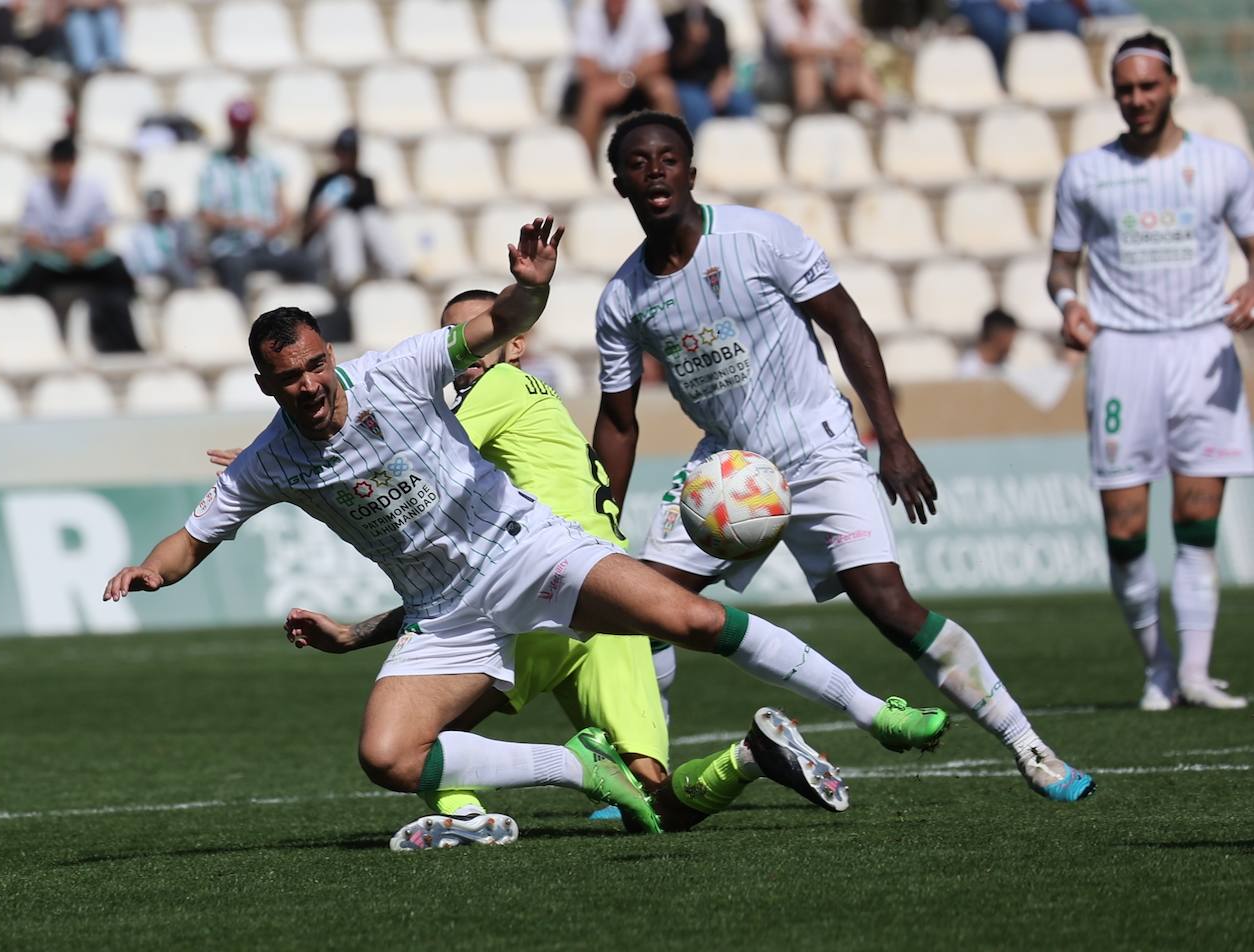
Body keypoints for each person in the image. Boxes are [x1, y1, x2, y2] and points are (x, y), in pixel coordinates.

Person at [104, 216, 952, 845]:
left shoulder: (397, 372)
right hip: (444, 611)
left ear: (331, 355)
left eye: (316, 365)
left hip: (526, 551)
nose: (309, 386)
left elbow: (494, 326)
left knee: (691, 619)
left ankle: (870, 711)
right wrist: (151, 570)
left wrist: (532, 290)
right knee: (389, 756)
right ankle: (577, 766)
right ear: (267, 385)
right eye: (289, 378)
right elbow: (193, 538)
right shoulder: (270, 461)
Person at [591, 111, 1096, 802]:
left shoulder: (759, 237)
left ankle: (1031, 749)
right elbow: (618, 421)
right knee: (642, 604)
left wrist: (892, 437)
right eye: (638, 163)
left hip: (818, 447)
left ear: (691, 172)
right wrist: (601, 514)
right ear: (620, 184)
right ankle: (646, 780)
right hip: (727, 472)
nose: (655, 170)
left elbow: (847, 324)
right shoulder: (622, 300)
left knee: (887, 604)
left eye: (668, 158)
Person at [1047, 33, 1254, 712]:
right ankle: (1157, 667)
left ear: (1172, 87)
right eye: (1126, 90)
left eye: (1148, 86)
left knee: (1197, 518)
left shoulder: (1223, 164)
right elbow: (1061, 268)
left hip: (1203, 349)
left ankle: (1194, 673)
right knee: (1125, 528)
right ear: (1115, 95)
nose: (1137, 99)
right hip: (1123, 354)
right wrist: (1069, 304)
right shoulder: (1086, 173)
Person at [0, 136, 141, 352]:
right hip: (52, 262)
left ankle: (121, 341)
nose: (63, 173)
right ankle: (29, 338)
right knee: (29, 277)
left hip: (86, 259)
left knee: (117, 271)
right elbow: (32, 238)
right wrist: (63, 249)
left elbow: (101, 236)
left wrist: (83, 249)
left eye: (68, 166)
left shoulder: (93, 189)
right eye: (59, 166)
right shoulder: (36, 191)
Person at [198, 100, 316, 301]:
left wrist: (276, 227)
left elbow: (284, 208)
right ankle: (240, 318)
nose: (242, 134)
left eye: (245, 128)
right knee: (235, 269)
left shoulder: (267, 165)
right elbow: (207, 215)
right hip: (231, 247)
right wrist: (238, 223)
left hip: (266, 244)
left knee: (305, 263)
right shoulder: (213, 167)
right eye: (238, 128)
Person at [565, 0, 681, 154]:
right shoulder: (589, 12)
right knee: (592, 96)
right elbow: (587, 67)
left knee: (664, 90)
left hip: (636, 82)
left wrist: (625, 81)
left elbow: (658, 58)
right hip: (604, 84)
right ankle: (587, 161)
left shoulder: (645, 8)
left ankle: (672, 156)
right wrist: (616, 82)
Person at [302, 128, 409, 291]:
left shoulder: (366, 183)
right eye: (343, 151)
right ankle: (350, 279)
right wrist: (320, 216)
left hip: (360, 249)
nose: (347, 156)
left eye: (351, 151)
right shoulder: (323, 182)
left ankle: (401, 270)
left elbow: (370, 218)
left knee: (371, 217)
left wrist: (350, 191)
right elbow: (307, 230)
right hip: (324, 249)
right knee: (343, 221)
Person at [763, 0, 883, 113]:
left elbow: (854, 38)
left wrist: (844, 65)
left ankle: (880, 112)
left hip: (831, 68)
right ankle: (810, 115)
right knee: (806, 65)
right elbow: (792, 49)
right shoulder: (778, 5)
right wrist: (837, 53)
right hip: (783, 74)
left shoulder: (830, 3)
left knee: (859, 70)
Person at [664, 2, 756, 133]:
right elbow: (673, 64)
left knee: (743, 101)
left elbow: (724, 64)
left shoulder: (717, 23)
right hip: (685, 84)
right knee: (698, 106)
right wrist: (692, 45)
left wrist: (721, 86)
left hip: (713, 84)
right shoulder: (671, 22)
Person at [951, 0, 1081, 76]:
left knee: (1065, 19)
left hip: (1033, 3)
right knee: (991, 26)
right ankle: (1001, 82)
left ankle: (1057, 78)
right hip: (981, 4)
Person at [122, 188, 199, 290]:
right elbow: (134, 262)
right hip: (152, 274)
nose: (158, 214)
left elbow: (189, 251)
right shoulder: (138, 232)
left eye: (160, 210)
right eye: (155, 211)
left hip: (178, 272)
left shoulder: (179, 227)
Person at [48, 0, 125, 74]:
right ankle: (86, 69)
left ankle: (115, 63)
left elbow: (118, 7)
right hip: (73, 19)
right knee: (80, 22)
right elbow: (53, 16)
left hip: (99, 18)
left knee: (107, 18)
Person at [957, 308, 1018, 379]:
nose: (1012, 346)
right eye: (1010, 340)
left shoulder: (1006, 369)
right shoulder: (968, 369)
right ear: (999, 336)